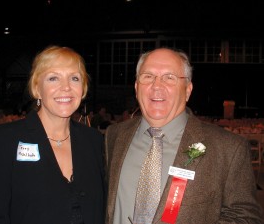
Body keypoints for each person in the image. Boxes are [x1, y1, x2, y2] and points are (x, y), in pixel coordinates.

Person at [104, 47, 263, 224]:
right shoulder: (114, 136)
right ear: (136, 87)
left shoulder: (229, 148)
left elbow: (245, 217)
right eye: (148, 76)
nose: (157, 85)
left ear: (187, 90)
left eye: (169, 77)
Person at [0, 46, 106, 224]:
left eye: (74, 78)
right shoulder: (5, 140)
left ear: (83, 89)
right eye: (53, 78)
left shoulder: (94, 141)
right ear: (37, 88)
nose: (66, 87)